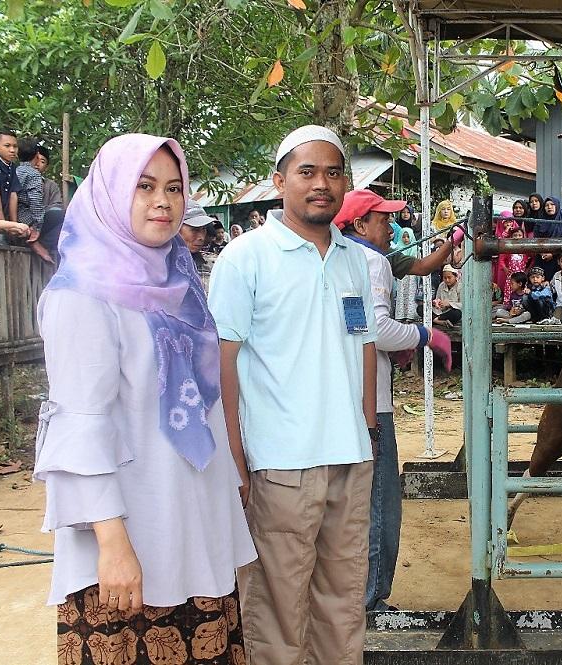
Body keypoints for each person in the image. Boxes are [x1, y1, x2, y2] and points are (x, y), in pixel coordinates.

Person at [34, 133, 256, 664]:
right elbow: (79, 426)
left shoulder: (180, 286)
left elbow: (202, 407)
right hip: (127, 545)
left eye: (175, 188)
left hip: (190, 531)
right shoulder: (82, 296)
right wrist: (112, 546)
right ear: (109, 194)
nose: (163, 200)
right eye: (144, 186)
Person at [208, 125, 377, 665]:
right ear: (279, 181)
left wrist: (368, 430)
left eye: (332, 172)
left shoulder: (354, 258)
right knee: (278, 612)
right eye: (307, 172)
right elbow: (221, 364)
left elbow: (365, 347)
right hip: (280, 464)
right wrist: (237, 462)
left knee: (343, 605)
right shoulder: (246, 258)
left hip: (349, 459)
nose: (321, 184)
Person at [333, 189, 452, 613]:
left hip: (336, 397)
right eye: (383, 220)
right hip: (371, 401)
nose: (391, 227)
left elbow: (357, 326)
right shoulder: (373, 261)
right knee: (380, 503)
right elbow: (377, 329)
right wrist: (424, 335)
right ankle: (371, 599)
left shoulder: (337, 258)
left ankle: (351, 595)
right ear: (360, 225)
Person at [14, 137, 55, 262]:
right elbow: (35, 201)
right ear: (37, 155)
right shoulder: (33, 174)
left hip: (11, 215)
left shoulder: (14, 170)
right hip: (25, 217)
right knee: (61, 216)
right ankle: (36, 243)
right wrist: (37, 227)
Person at [498, 227, 532, 307]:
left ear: (523, 236)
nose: (517, 237)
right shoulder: (509, 248)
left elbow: (533, 258)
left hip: (522, 277)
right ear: (511, 237)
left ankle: (522, 307)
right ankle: (508, 307)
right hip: (511, 276)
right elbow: (501, 260)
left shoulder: (525, 249)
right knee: (510, 291)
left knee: (522, 291)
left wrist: (528, 269)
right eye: (515, 235)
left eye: (520, 235)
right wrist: (505, 269)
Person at [179, 203, 214, 277]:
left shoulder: (212, 265)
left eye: (204, 229)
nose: (201, 237)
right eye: (195, 229)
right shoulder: (156, 266)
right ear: (176, 228)